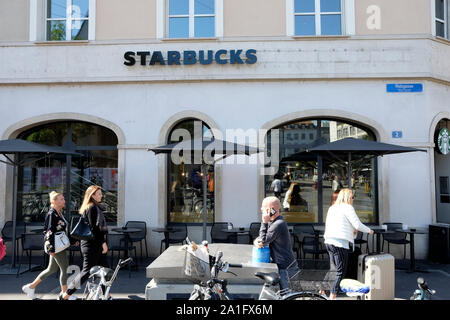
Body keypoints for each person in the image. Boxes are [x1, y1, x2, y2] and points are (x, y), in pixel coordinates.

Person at [22, 191, 79, 300]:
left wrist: (72, 241)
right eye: (61, 199)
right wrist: (50, 248)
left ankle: (30, 287)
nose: (64, 201)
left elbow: (62, 231)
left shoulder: (59, 213)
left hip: (59, 245)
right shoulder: (51, 214)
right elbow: (49, 232)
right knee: (65, 269)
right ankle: (64, 294)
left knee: (51, 269)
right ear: (54, 201)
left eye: (63, 199)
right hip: (56, 247)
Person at [323, 188, 374, 300]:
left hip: (329, 241)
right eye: (352, 197)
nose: (353, 199)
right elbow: (358, 225)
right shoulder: (348, 208)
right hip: (339, 243)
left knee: (333, 269)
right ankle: (332, 296)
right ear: (347, 198)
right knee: (340, 271)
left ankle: (321, 291)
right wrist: (369, 230)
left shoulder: (333, 208)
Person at [64, 185, 110, 300]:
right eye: (98, 194)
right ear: (92, 195)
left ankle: (107, 296)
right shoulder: (92, 208)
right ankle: (66, 295)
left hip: (93, 244)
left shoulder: (95, 207)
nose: (101, 195)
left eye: (101, 193)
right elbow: (95, 229)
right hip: (92, 245)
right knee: (86, 271)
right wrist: (103, 243)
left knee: (105, 270)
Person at [254, 197, 298, 291]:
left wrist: (264, 222)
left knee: (287, 295)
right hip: (281, 266)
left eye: (263, 207)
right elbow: (261, 239)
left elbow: (263, 240)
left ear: (271, 209)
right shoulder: (273, 222)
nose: (261, 209)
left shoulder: (278, 224)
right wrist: (256, 241)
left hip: (286, 268)